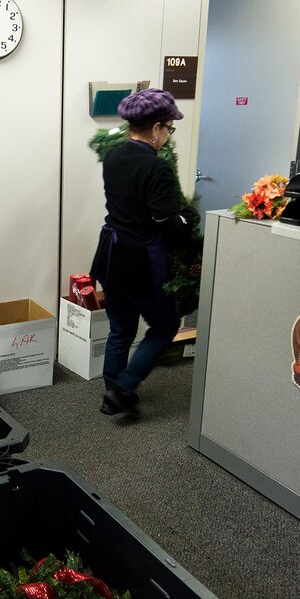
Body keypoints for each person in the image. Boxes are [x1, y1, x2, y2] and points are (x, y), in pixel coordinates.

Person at [89, 88, 192, 420]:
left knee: (120, 329)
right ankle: (123, 387)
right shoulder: (156, 168)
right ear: (156, 127)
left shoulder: (114, 157)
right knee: (165, 325)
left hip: (111, 255)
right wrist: (186, 220)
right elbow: (165, 222)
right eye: (169, 128)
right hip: (141, 262)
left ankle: (111, 392)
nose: (167, 135)